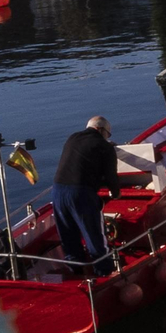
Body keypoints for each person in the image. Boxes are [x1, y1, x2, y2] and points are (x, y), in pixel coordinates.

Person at [51, 114, 118, 266]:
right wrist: (116, 193)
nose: (107, 138)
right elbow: (110, 176)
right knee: (93, 233)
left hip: (57, 191)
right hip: (80, 194)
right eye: (108, 134)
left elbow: (85, 153)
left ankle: (76, 269)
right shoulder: (105, 147)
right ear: (100, 130)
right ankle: (104, 270)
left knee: (68, 234)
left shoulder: (72, 138)